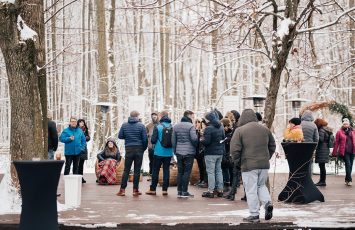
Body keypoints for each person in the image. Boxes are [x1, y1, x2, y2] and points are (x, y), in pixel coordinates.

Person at [230, 109, 276, 223]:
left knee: (251, 189)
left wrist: (238, 162)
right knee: (261, 185)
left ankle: (254, 214)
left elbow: (234, 150)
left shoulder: (240, 130)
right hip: (264, 164)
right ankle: (267, 203)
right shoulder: (265, 129)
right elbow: (272, 145)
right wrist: (267, 157)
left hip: (248, 164)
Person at [116, 111, 148, 196]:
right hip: (139, 149)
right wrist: (143, 149)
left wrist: (128, 136)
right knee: (137, 171)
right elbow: (145, 139)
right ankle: (135, 190)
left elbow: (120, 136)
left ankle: (122, 190)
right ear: (137, 116)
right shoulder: (141, 126)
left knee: (126, 170)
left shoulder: (124, 125)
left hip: (129, 149)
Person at [146, 111, 174, 196]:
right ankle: (165, 190)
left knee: (155, 170)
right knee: (166, 170)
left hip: (158, 152)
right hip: (169, 152)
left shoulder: (158, 127)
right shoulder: (172, 127)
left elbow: (153, 140)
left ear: (161, 116)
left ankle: (153, 189)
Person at [172, 110, 198, 198]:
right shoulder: (191, 126)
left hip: (179, 152)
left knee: (180, 172)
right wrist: (195, 146)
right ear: (189, 117)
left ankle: (179, 191)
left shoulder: (176, 126)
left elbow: (173, 140)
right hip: (189, 152)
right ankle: (184, 191)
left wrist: (175, 150)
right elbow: (194, 139)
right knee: (187, 172)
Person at [201, 111, 225, 198]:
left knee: (210, 172)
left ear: (209, 119)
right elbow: (223, 138)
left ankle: (211, 191)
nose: (205, 120)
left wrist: (201, 139)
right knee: (219, 171)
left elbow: (206, 142)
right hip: (219, 152)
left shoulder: (208, 128)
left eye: (206, 119)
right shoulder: (221, 127)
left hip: (210, 153)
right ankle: (220, 190)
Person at [332, 118, 355, 186]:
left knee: (350, 165)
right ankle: (350, 180)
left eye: (347, 124)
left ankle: (347, 179)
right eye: (344, 124)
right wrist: (334, 152)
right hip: (344, 151)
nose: (345, 125)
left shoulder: (353, 131)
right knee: (348, 164)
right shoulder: (339, 132)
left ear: (349, 124)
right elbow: (336, 143)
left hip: (352, 150)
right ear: (342, 125)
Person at [314, 118, 332, 186]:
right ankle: (322, 180)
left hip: (322, 149)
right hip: (325, 148)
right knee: (322, 166)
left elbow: (321, 139)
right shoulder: (326, 129)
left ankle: (322, 181)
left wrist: (316, 136)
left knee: (322, 166)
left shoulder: (321, 130)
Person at [220, 118, 233, 192]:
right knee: (224, 168)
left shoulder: (229, 134)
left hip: (227, 154)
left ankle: (227, 184)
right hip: (224, 153)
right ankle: (226, 183)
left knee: (226, 169)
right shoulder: (224, 133)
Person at [194, 118, 208, 188]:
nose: (197, 124)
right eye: (196, 122)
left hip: (202, 151)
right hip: (197, 151)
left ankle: (204, 180)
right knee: (200, 166)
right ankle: (201, 179)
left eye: (199, 122)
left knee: (203, 166)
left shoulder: (203, 131)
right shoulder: (196, 131)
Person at [146, 112, 159, 179]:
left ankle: (157, 175)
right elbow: (145, 136)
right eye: (153, 116)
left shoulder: (160, 125)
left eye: (155, 116)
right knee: (151, 161)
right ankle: (151, 175)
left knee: (158, 161)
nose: (154, 118)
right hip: (150, 147)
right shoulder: (148, 126)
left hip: (159, 147)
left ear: (157, 116)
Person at [77, 119, 90, 183]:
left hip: (84, 148)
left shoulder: (85, 130)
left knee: (81, 164)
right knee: (77, 164)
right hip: (77, 148)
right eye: (80, 122)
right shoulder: (76, 129)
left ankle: (81, 177)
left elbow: (88, 138)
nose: (82, 123)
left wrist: (86, 138)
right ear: (78, 123)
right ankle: (76, 177)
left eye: (82, 122)